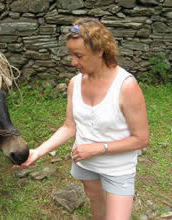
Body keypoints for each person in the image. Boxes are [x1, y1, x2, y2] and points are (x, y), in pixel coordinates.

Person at [15, 18, 149, 220]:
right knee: (96, 202)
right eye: (71, 55)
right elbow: (69, 126)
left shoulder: (126, 86)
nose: (72, 62)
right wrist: (38, 152)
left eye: (79, 56)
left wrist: (98, 147)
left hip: (117, 169)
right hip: (85, 164)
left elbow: (141, 139)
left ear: (100, 51)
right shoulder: (74, 83)